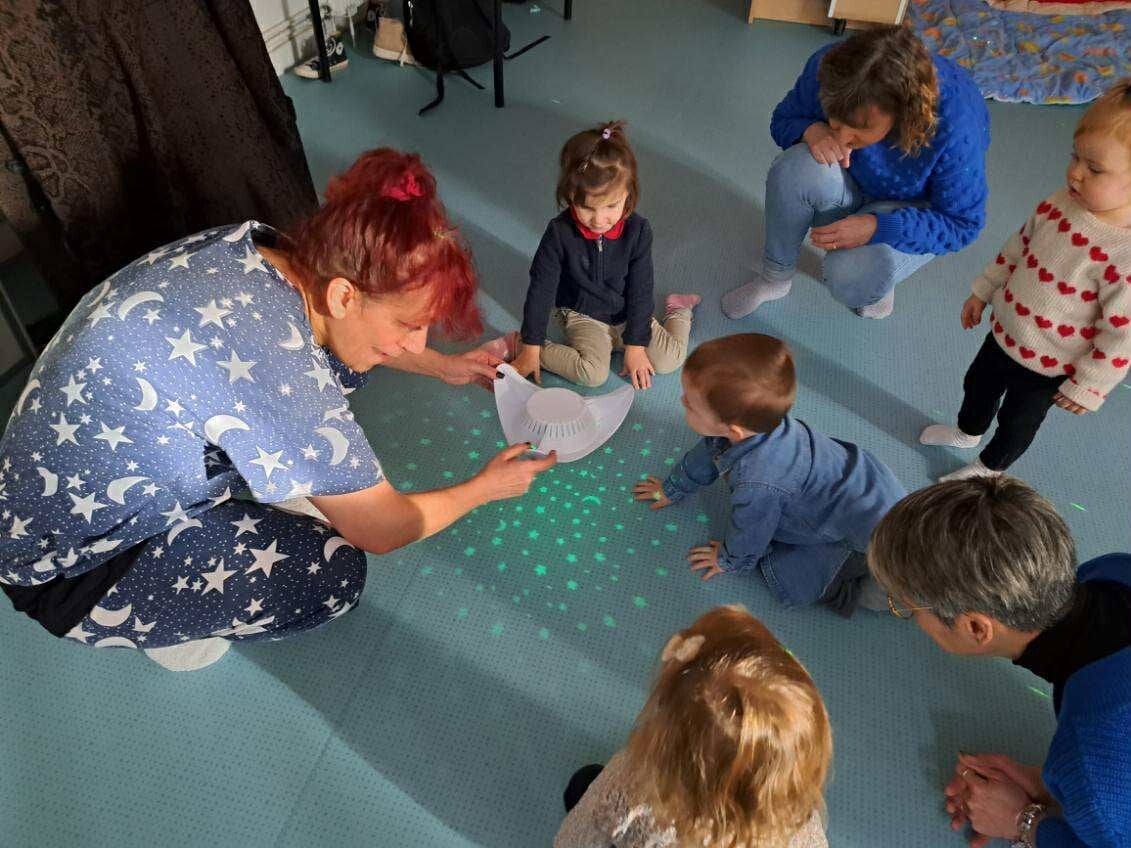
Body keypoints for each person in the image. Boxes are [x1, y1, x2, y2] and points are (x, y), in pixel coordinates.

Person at [0, 148, 556, 670]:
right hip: (74, 569)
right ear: (344, 295)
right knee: (334, 575)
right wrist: (486, 488)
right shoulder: (277, 367)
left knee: (336, 366)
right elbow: (385, 527)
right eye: (410, 325)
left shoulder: (264, 252)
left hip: (40, 488)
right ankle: (167, 627)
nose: (418, 341)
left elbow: (343, 340)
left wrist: (444, 366)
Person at [868, 476, 1131, 848]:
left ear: (976, 628)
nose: (910, 617)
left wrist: (1024, 821)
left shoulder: (1092, 754)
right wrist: (1054, 785)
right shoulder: (1113, 571)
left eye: (907, 608)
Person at [920, 79, 1131, 481]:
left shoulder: (1124, 256)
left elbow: (1122, 335)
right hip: (1006, 331)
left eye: (1094, 169)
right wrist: (983, 291)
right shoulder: (1059, 204)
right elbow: (1016, 249)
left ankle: (989, 468)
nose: (1075, 173)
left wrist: (1090, 384)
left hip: (1050, 365)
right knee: (977, 385)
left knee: (1017, 421)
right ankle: (967, 432)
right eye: (1075, 157)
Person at [721, 25, 989, 321]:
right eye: (836, 122)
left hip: (909, 205)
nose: (843, 137)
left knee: (853, 274)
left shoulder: (955, 127)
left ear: (902, 113)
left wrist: (880, 227)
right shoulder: (830, 68)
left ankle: (880, 283)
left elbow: (963, 224)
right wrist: (810, 129)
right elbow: (784, 119)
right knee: (793, 169)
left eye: (858, 131)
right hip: (853, 180)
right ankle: (775, 279)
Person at [632, 334, 904, 616]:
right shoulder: (755, 423)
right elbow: (709, 452)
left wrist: (728, 560)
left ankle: (882, 590)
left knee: (794, 577)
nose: (681, 400)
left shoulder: (758, 483)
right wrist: (673, 488)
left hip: (872, 532)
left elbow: (751, 532)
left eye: (689, 404)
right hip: (868, 484)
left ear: (734, 430)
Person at [554, 605, 831, 848]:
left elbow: (573, 840)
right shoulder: (799, 817)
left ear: (667, 745)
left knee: (581, 784)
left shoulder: (630, 790)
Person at [509, 120, 700, 389]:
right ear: (570, 195)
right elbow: (540, 290)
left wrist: (636, 346)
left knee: (671, 360)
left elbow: (640, 289)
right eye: (587, 207)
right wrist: (531, 346)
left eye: (611, 206)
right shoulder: (558, 233)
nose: (599, 220)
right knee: (593, 375)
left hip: (626, 311)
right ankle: (517, 344)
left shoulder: (638, 230)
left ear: (628, 194)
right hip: (582, 315)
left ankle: (678, 309)